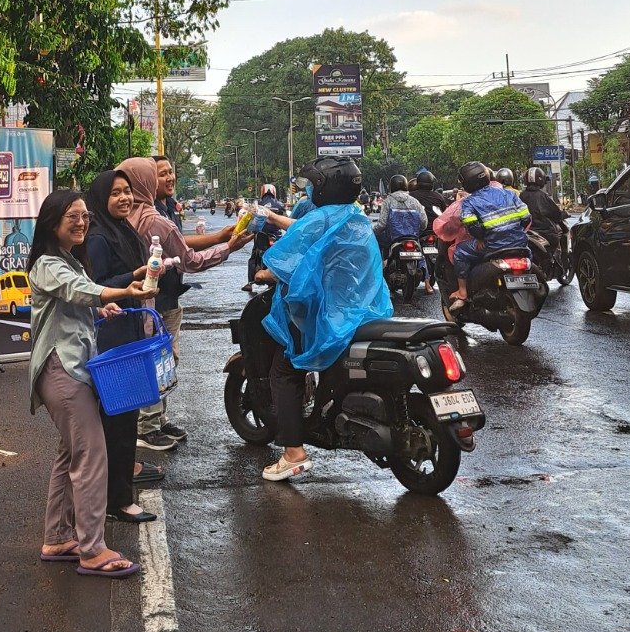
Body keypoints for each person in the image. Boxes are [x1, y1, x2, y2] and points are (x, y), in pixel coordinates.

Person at [27, 190, 147, 577]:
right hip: (63, 373)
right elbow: (78, 291)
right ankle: (92, 549)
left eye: (84, 216)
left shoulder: (70, 262)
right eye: (72, 216)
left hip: (74, 368)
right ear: (52, 223)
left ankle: (59, 537)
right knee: (92, 456)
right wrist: (123, 292)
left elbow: (77, 303)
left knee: (71, 455)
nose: (80, 222)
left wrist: (102, 309)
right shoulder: (48, 264)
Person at [259, 157, 391, 482]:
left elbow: (289, 260)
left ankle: (293, 453)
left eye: (311, 184)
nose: (307, 189)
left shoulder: (318, 218)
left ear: (322, 187)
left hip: (329, 317)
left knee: (284, 369)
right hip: (363, 312)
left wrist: (265, 272)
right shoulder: (357, 218)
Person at [119, 158, 250, 449]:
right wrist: (228, 247)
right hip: (151, 303)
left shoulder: (126, 216)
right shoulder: (153, 219)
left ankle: (156, 419)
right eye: (157, 174)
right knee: (159, 360)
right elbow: (190, 260)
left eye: (169, 172)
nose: (166, 178)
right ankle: (148, 426)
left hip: (135, 300)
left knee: (155, 360)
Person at [82, 170, 160, 522]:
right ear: (102, 198)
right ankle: (118, 501)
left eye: (128, 192)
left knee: (124, 418)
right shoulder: (98, 236)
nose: (125, 199)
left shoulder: (122, 229)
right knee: (118, 419)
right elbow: (93, 287)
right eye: (115, 194)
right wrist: (131, 278)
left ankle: (116, 492)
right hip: (111, 336)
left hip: (127, 331)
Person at [448, 161, 532, 309]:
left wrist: (480, 238)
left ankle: (462, 292)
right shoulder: (509, 193)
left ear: (467, 184)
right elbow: (526, 217)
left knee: (459, 252)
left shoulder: (469, 202)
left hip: (492, 246)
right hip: (519, 242)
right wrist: (516, 232)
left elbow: (472, 225)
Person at [372, 174, 427, 255]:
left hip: (392, 239)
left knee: (377, 239)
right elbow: (424, 223)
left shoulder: (388, 201)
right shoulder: (415, 202)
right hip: (413, 238)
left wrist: (373, 232)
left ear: (391, 187)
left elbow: (382, 224)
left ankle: (381, 264)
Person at [521, 167, 569, 252]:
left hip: (524, 233)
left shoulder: (520, 196)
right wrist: (564, 214)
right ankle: (562, 261)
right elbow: (556, 214)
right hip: (545, 233)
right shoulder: (543, 196)